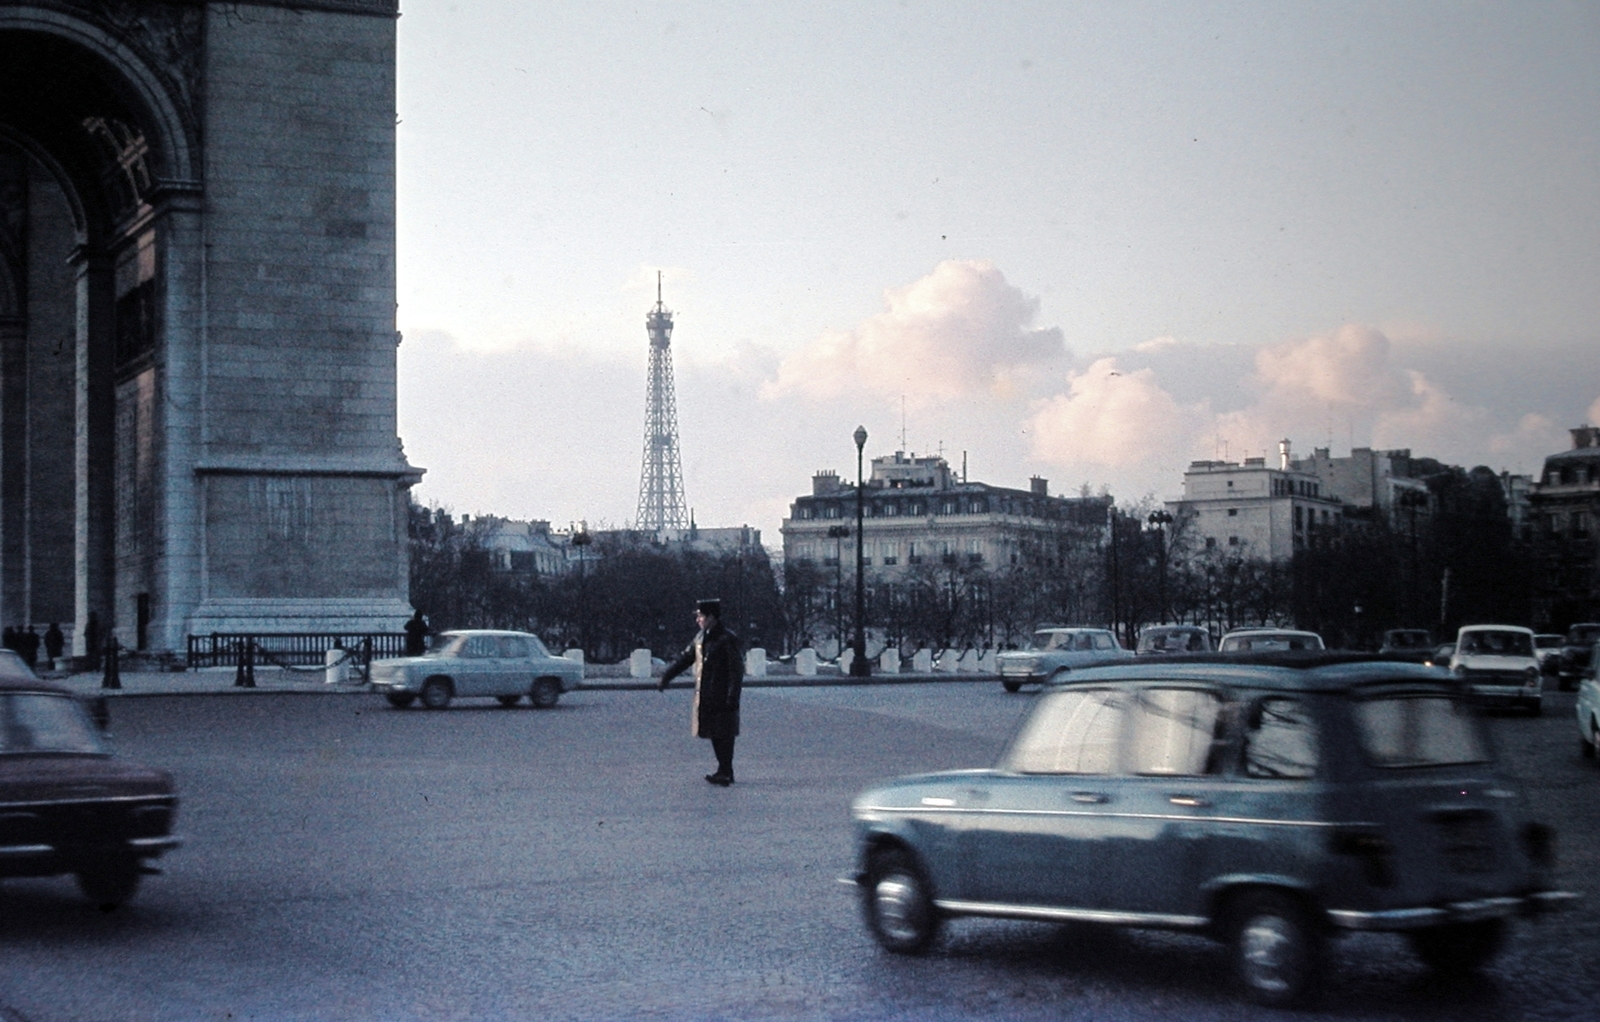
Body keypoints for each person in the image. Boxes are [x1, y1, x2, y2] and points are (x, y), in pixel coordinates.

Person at [658, 598, 744, 786]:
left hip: (722, 694)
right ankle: (723, 770)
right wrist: (667, 676)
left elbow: (736, 671)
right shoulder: (701, 637)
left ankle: (726, 771)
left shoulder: (726, 639)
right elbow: (686, 659)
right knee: (714, 732)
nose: (698, 620)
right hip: (707, 693)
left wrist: (733, 696)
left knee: (724, 734)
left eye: (701, 616)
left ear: (712, 617)